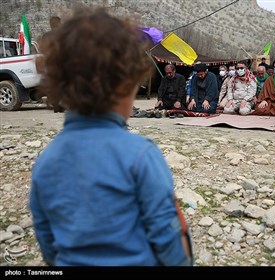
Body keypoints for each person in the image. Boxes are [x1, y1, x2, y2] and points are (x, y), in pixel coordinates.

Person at [29, 7, 193, 266]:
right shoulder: (141, 155)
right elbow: (171, 244)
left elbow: (48, 246)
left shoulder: (44, 163)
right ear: (125, 85)